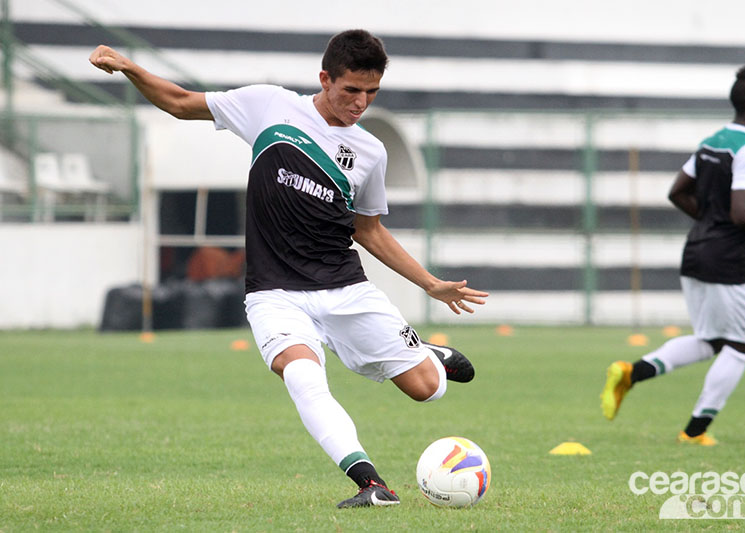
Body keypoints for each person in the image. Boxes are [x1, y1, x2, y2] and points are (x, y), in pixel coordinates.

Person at [89, 29, 488, 507]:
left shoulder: (370, 152)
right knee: (303, 377)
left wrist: (430, 284)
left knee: (426, 390)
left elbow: (369, 230)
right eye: (351, 90)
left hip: (344, 288)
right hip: (274, 293)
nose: (361, 103)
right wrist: (131, 68)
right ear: (325, 78)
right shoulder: (269, 107)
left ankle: (429, 355)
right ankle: (371, 484)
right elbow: (179, 102)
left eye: (371, 92)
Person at [601, 64, 745, 445]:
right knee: (740, 345)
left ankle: (630, 373)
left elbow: (677, 192)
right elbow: (743, 213)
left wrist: (711, 221)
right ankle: (694, 432)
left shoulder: (713, 141)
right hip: (728, 259)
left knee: (711, 340)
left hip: (695, 252)